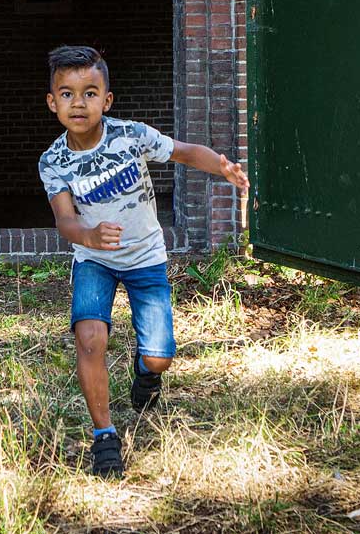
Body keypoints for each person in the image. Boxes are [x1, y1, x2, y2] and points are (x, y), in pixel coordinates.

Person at [37, 45, 249, 477]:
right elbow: (64, 221)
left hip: (145, 257)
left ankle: (146, 374)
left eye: (90, 93)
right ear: (52, 102)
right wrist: (90, 236)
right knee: (90, 337)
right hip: (93, 259)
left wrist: (222, 167)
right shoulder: (53, 161)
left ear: (107, 100)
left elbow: (186, 152)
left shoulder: (131, 135)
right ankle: (104, 436)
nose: (79, 103)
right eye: (67, 93)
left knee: (159, 358)